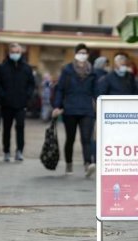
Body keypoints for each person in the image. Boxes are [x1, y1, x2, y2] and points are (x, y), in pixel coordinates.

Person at [51, 43, 96, 176]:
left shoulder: (92, 71)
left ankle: (88, 164)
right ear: (76, 54)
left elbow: (96, 91)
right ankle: (69, 164)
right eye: (80, 52)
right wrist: (57, 106)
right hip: (70, 109)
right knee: (70, 139)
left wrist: (100, 104)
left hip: (87, 109)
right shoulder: (68, 70)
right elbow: (60, 89)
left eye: (85, 53)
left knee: (86, 138)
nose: (82, 55)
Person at [0, 42, 35, 162]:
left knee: (20, 127)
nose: (15, 54)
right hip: (6, 104)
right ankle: (6, 151)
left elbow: (32, 84)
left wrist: (27, 96)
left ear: (21, 53)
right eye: (13, 52)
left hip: (21, 103)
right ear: (9, 53)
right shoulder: (2, 67)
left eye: (17, 52)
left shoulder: (27, 68)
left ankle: (19, 151)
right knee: (6, 128)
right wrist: (2, 95)